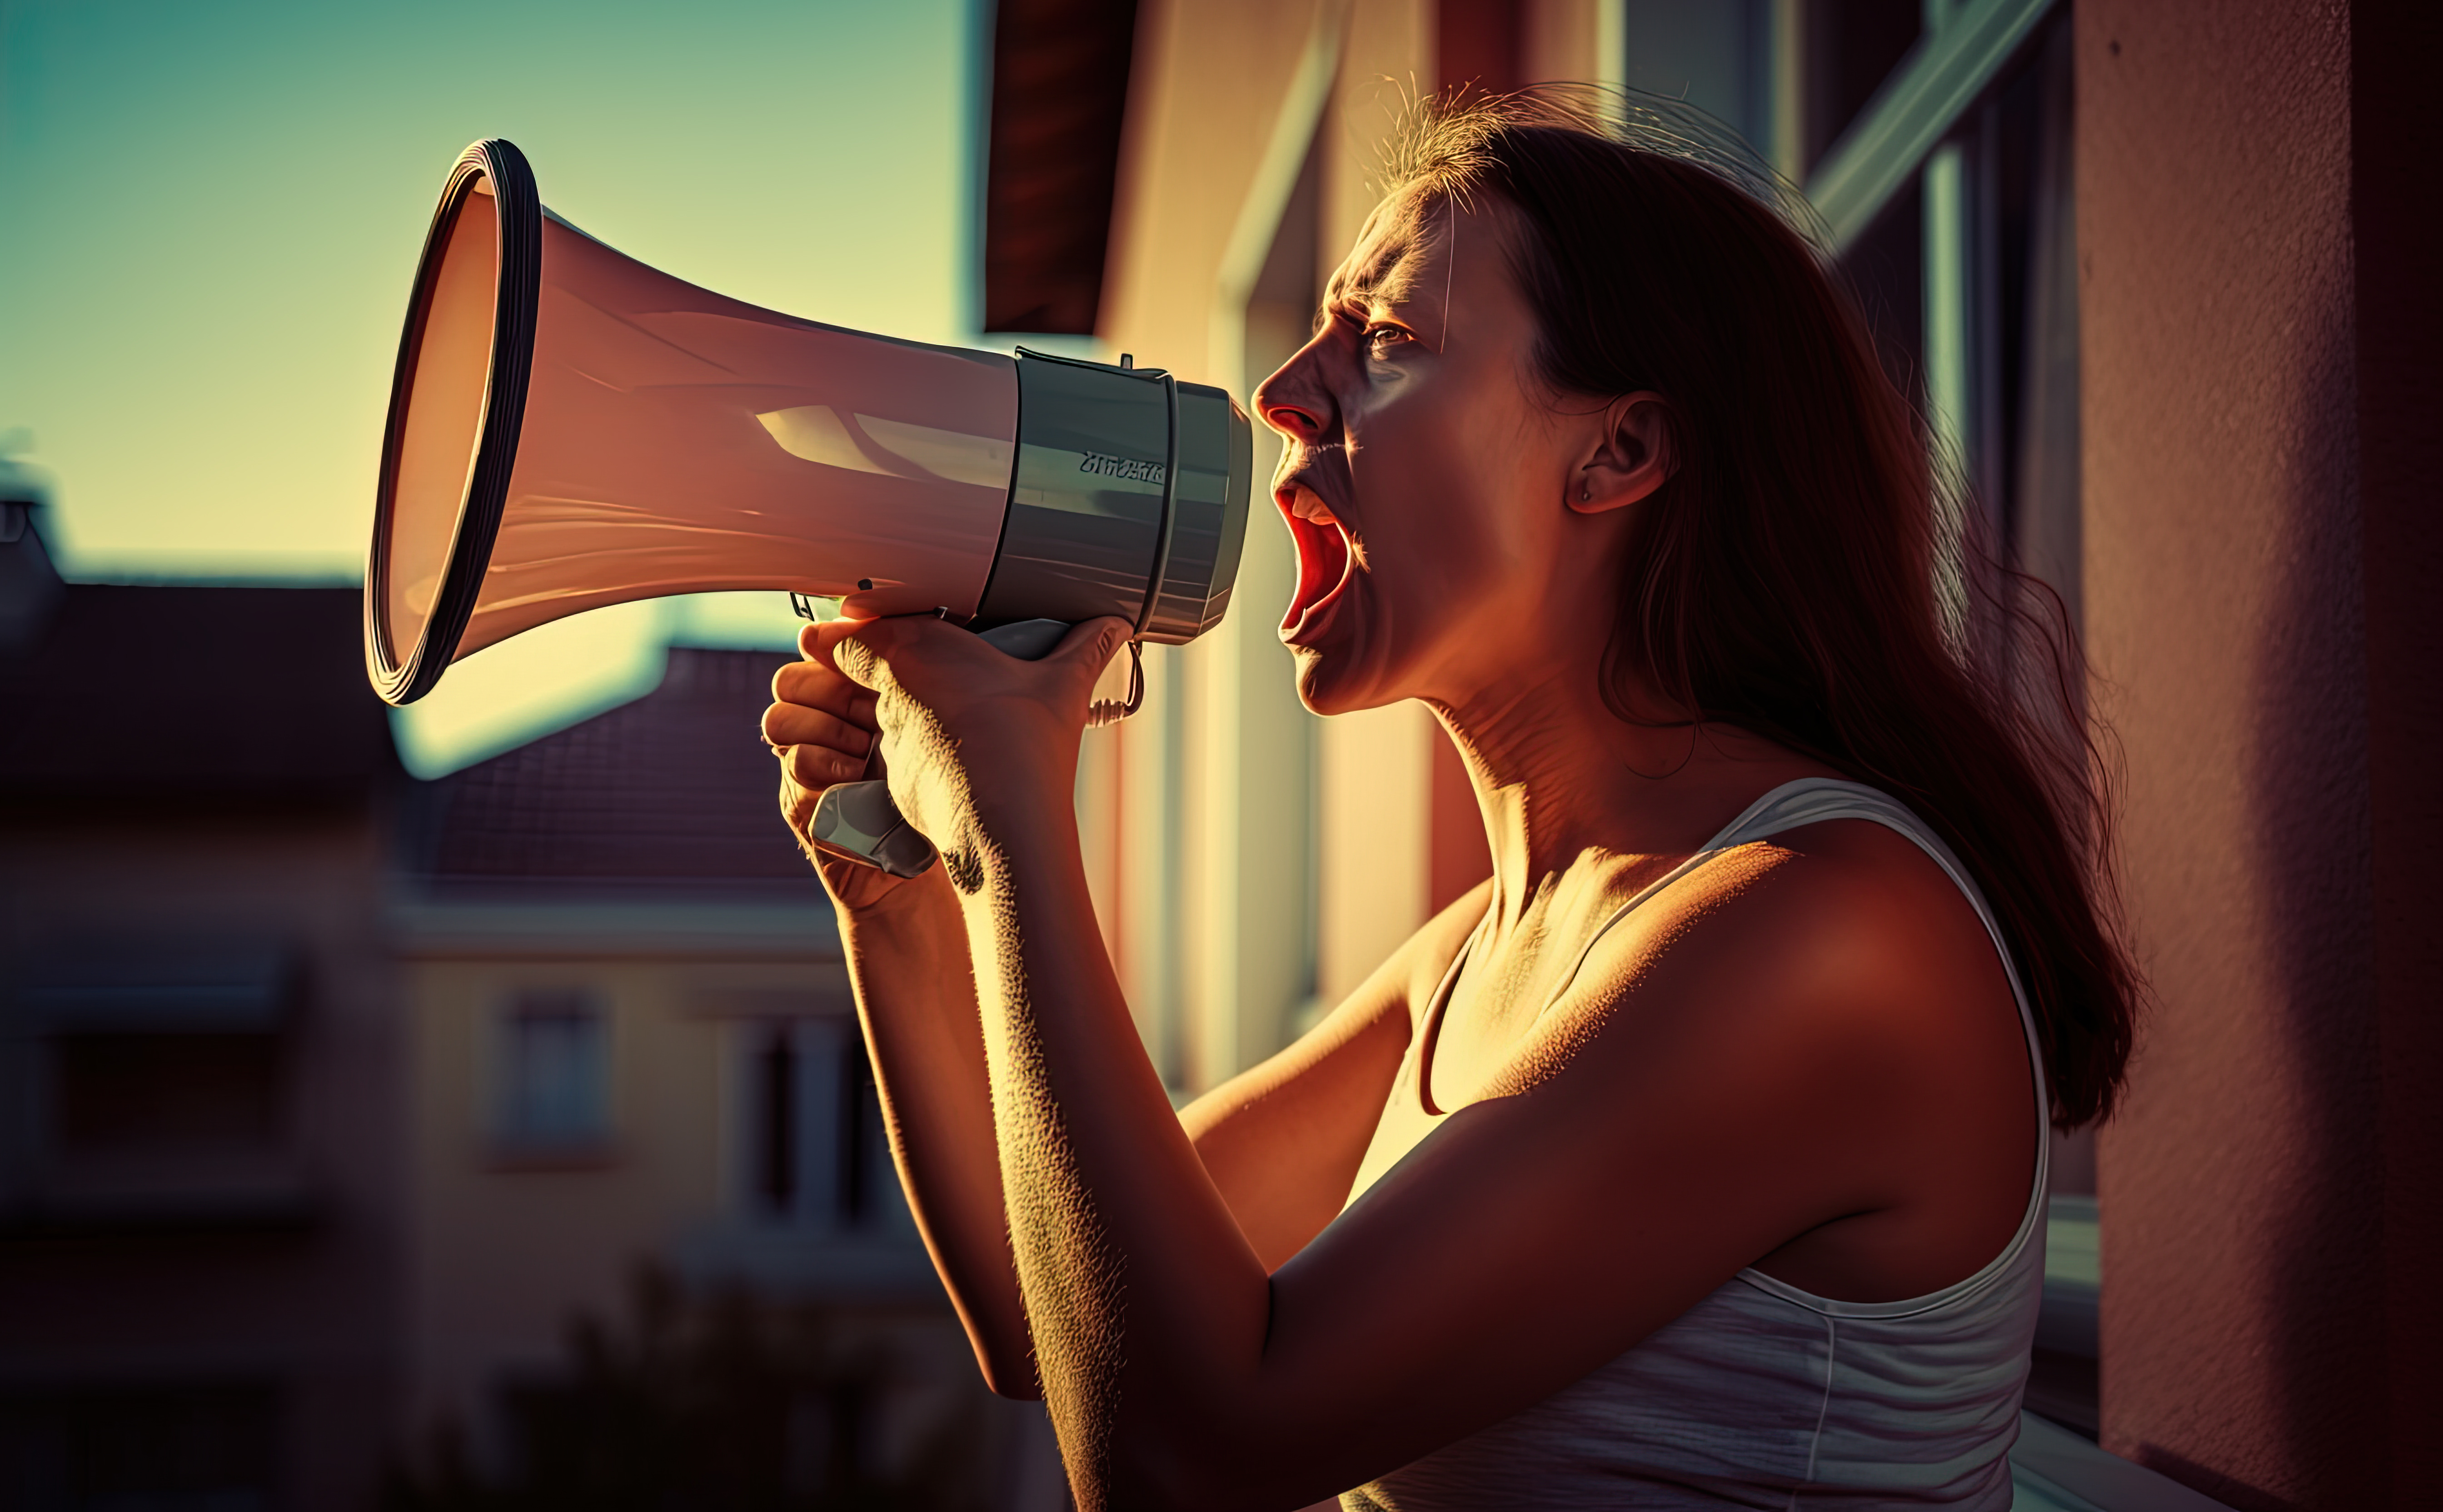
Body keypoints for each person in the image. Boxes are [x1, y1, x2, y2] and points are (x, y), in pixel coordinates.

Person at [761, 93, 2137, 1511]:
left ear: (1618, 456)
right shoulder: (1485, 953)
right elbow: (1041, 1310)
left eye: (1387, 339)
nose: (1282, 391)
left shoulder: (1820, 932)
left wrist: (1009, 815)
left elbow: (1176, 1453)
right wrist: (905, 896)